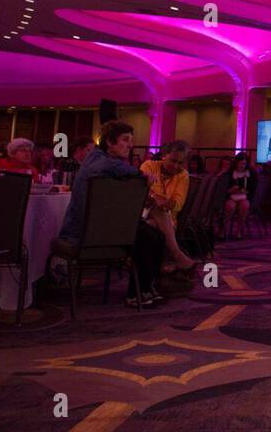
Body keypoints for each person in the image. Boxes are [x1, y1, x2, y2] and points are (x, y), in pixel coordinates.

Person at [54, 120, 164, 307]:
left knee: (155, 236)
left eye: (131, 140)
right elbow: (103, 167)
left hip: (101, 227)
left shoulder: (112, 162)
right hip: (81, 232)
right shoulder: (97, 159)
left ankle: (146, 287)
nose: (130, 144)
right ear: (110, 142)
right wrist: (140, 174)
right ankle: (136, 293)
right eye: (125, 139)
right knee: (144, 236)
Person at [139, 140, 196, 274]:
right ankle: (176, 255)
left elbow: (177, 205)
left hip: (168, 221)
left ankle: (149, 271)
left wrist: (159, 200)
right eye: (173, 160)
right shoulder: (149, 166)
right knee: (155, 211)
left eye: (180, 163)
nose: (176, 166)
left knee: (152, 225)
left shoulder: (183, 175)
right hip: (143, 214)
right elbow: (142, 192)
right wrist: (155, 198)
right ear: (164, 155)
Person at [220, 154, 256, 240]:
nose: (241, 166)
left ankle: (239, 231)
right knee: (230, 206)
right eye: (239, 163)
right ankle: (223, 230)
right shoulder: (230, 173)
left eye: (244, 164)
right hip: (231, 196)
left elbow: (252, 190)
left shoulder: (250, 174)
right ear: (236, 163)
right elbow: (223, 190)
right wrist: (231, 190)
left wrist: (245, 191)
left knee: (245, 205)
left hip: (244, 197)